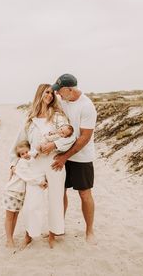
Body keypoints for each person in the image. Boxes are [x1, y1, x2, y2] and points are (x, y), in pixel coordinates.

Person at [9, 84, 74, 248]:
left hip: (54, 162)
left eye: (52, 93)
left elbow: (70, 138)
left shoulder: (58, 116)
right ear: (40, 94)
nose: (50, 96)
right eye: (47, 92)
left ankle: (52, 235)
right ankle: (29, 235)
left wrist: (54, 146)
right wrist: (13, 164)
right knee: (32, 201)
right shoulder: (30, 119)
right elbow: (19, 142)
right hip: (35, 162)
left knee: (55, 200)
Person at [42, 74, 97, 243]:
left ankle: (89, 231)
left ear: (70, 89)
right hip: (62, 155)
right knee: (60, 193)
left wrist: (65, 157)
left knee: (84, 194)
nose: (57, 94)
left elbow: (84, 138)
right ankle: (59, 228)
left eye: (59, 91)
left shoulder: (87, 106)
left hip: (82, 157)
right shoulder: (63, 102)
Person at [3, 140, 47, 248]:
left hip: (20, 194)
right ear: (19, 156)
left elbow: (34, 156)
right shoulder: (21, 163)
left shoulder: (29, 160)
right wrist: (39, 182)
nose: (25, 155)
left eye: (26, 152)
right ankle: (9, 239)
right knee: (9, 216)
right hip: (12, 192)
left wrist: (36, 153)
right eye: (22, 154)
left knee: (15, 216)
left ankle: (11, 237)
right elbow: (27, 176)